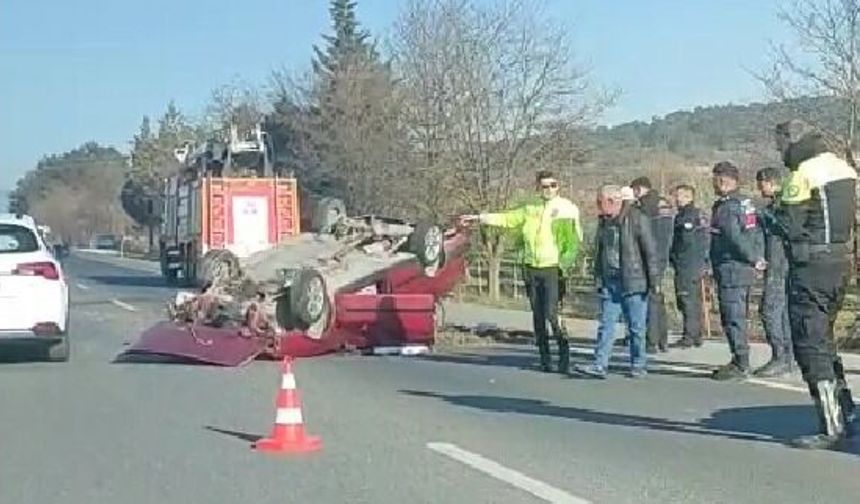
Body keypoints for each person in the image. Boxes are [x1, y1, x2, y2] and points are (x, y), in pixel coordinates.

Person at [774, 120, 857, 449]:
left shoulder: (802, 173)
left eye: (781, 143)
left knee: (811, 344)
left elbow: (790, 226)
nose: (780, 150)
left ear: (792, 142)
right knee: (824, 338)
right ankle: (845, 409)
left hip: (811, 266)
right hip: (840, 261)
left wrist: (771, 217)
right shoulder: (845, 168)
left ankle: (831, 426)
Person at [460, 170, 582, 373]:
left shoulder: (567, 208)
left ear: (558, 186)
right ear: (538, 188)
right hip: (531, 267)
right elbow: (507, 219)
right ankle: (545, 358)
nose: (550, 189)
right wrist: (479, 218)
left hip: (552, 268)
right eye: (545, 186)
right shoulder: (530, 208)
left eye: (553, 185)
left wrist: (563, 265)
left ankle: (564, 355)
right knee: (537, 314)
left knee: (552, 314)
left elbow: (573, 243)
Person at [574, 184, 660, 379]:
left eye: (600, 202)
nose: (597, 206)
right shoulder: (604, 222)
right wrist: (598, 277)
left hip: (633, 281)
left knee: (636, 327)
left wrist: (654, 282)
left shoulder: (636, 219)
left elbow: (650, 252)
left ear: (612, 201)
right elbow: (600, 252)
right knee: (606, 324)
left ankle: (638, 363)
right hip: (610, 281)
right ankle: (600, 364)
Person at [709, 161, 766, 380]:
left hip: (731, 267)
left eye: (716, 179)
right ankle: (740, 359)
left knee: (732, 315)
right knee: (739, 314)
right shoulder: (746, 203)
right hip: (742, 269)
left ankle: (740, 362)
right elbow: (756, 233)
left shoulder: (727, 206)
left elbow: (734, 237)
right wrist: (757, 258)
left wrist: (753, 259)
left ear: (724, 181)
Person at [753, 167, 794, 377]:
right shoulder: (785, 205)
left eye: (761, 183)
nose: (759, 188)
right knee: (784, 312)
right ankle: (788, 356)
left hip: (780, 265)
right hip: (783, 264)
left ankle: (781, 356)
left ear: (769, 182)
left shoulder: (779, 209)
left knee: (770, 310)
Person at [630, 176, 672, 353]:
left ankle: (651, 339)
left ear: (639, 189)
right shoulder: (664, 204)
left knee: (649, 298)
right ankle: (662, 339)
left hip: (649, 256)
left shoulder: (644, 206)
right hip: (663, 254)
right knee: (658, 296)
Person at [669, 184, 709, 348]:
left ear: (688, 197)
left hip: (687, 264)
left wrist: (674, 256)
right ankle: (696, 334)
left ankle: (689, 336)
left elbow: (686, 242)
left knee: (686, 300)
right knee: (694, 300)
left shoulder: (687, 217)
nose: (676, 199)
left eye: (680, 196)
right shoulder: (697, 215)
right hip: (696, 263)